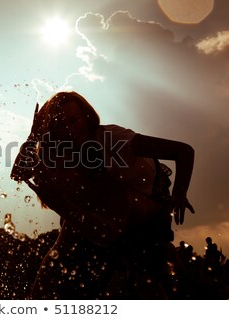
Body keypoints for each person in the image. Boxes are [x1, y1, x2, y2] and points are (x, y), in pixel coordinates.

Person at [11, 91, 195, 299]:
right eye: (60, 124)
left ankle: (162, 263)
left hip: (147, 200)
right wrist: (33, 136)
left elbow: (184, 152)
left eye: (74, 121)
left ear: (87, 118)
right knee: (56, 259)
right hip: (106, 202)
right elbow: (19, 173)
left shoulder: (115, 139)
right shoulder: (59, 148)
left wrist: (179, 194)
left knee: (143, 276)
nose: (69, 130)